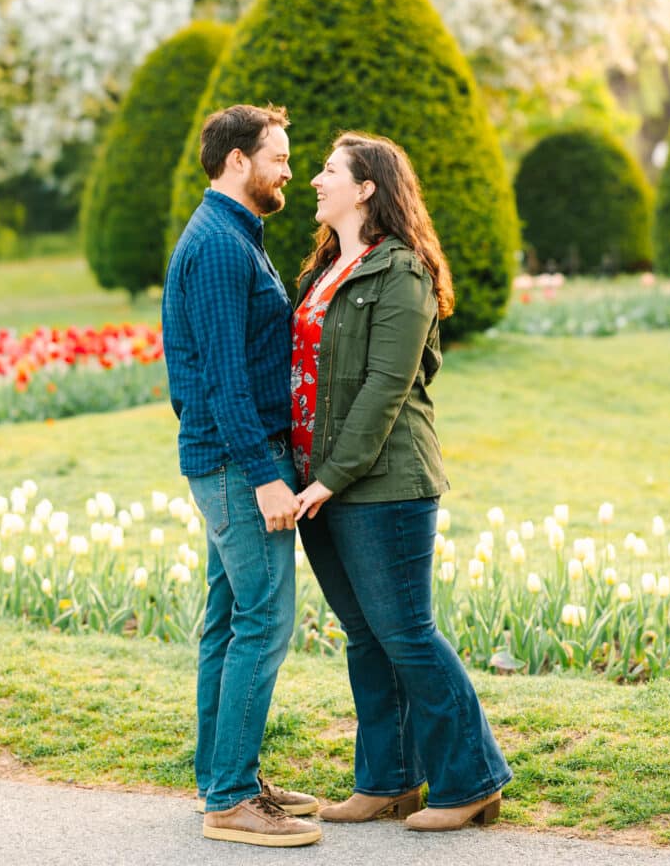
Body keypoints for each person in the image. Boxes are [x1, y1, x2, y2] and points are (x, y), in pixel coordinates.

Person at [292, 131, 513, 832]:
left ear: (365, 188)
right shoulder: (326, 265)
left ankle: (472, 780)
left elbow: (386, 387)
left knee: (405, 634)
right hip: (319, 482)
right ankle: (388, 782)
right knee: (365, 636)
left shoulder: (401, 272)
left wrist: (328, 477)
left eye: (329, 171)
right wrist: (309, 477)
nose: (315, 181)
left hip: (382, 483)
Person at [162, 104, 321, 848]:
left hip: (224, 462)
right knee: (262, 623)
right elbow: (223, 380)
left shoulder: (230, 235)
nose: (288, 170)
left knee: (228, 625)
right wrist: (264, 474)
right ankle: (228, 800)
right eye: (278, 157)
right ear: (237, 161)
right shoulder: (222, 248)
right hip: (236, 465)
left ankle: (225, 775)